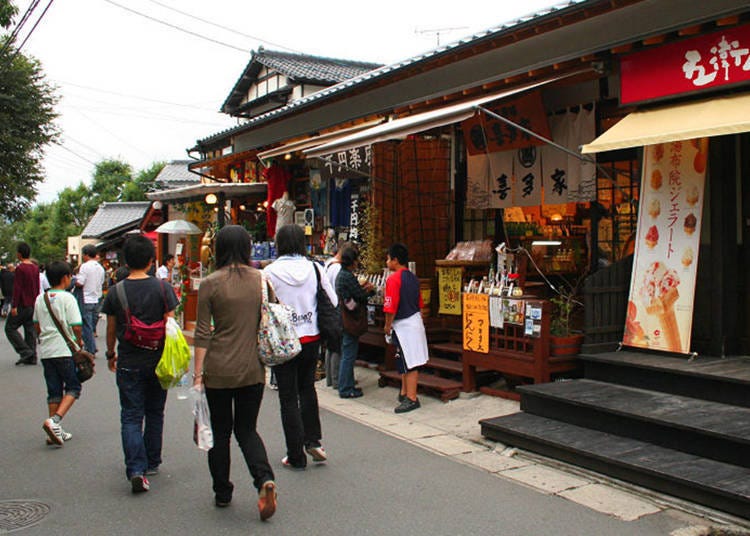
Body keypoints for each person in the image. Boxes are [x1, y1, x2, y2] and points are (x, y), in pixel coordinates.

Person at [192, 225, 277, 520]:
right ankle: (264, 479)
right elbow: (272, 314)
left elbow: (202, 333)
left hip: (218, 369)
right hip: (252, 368)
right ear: (247, 247)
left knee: (221, 432)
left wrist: (198, 374)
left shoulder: (210, 283)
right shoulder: (261, 280)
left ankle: (223, 492)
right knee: (246, 429)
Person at [101, 235, 178, 494]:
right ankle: (152, 460)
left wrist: (110, 354)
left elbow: (111, 328)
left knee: (131, 415)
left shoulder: (116, 291)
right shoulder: (163, 288)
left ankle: (136, 468)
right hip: (158, 360)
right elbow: (171, 325)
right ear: (151, 261)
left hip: (129, 360)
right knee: (155, 411)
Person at [263, 224, 336, 469]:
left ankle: (295, 455)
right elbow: (332, 299)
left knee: (287, 397)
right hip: (311, 338)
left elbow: (263, 306)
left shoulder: (270, 272)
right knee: (307, 389)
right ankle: (313, 440)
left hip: (282, 341)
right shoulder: (316, 268)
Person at [33, 261, 83, 446]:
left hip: (47, 350)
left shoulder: (41, 298)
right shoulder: (68, 298)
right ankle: (54, 421)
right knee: (73, 388)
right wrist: (78, 342)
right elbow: (76, 326)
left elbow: (36, 324)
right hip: (64, 349)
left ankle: (53, 431)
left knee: (53, 390)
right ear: (65, 278)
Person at [383, 243, 429, 413]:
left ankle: (411, 397)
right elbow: (420, 304)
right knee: (406, 360)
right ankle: (404, 392)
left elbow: (390, 307)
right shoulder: (413, 278)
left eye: (388, 259)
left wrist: (387, 326)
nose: (387, 262)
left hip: (403, 325)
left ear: (395, 260)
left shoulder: (393, 280)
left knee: (409, 362)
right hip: (414, 320)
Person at [335, 245, 375, 399]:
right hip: (350, 320)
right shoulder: (347, 276)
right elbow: (359, 296)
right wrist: (370, 291)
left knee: (347, 353)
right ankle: (346, 388)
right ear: (352, 261)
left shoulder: (342, 275)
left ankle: (346, 384)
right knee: (349, 355)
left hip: (343, 319)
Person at [6, 242, 40, 365]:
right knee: (29, 329)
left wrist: (14, 305)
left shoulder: (20, 268)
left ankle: (25, 351)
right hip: (32, 303)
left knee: (10, 328)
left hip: (22, 303)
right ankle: (32, 355)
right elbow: (37, 286)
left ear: (19, 254)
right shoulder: (35, 268)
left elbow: (18, 288)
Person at [323, 241, 349, 390]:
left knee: (331, 345)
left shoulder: (328, 264)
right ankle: (337, 379)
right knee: (338, 346)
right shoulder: (339, 268)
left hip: (327, 308)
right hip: (336, 308)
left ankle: (329, 378)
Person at [76, 245, 105, 355]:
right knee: (91, 325)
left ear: (86, 255)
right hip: (96, 298)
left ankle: (91, 347)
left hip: (86, 298)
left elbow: (80, 282)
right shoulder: (100, 267)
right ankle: (91, 345)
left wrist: (74, 280)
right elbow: (102, 282)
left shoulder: (85, 267)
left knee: (86, 325)